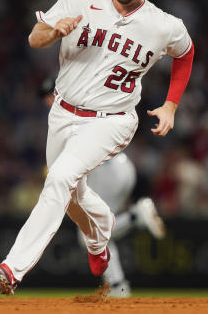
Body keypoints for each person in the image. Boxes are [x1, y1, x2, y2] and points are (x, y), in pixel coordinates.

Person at [0, 0, 194, 295]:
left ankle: (12, 267)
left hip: (112, 120)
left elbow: (186, 53)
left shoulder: (163, 25)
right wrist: (54, 31)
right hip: (63, 112)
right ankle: (100, 239)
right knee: (72, 196)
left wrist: (171, 105)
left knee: (59, 178)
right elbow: (34, 38)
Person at [40, 77, 166, 297]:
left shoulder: (69, 109)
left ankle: (136, 216)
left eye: (50, 95)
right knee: (101, 234)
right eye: (46, 97)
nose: (48, 101)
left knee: (90, 233)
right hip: (120, 167)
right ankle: (118, 286)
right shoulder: (82, 100)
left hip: (106, 172)